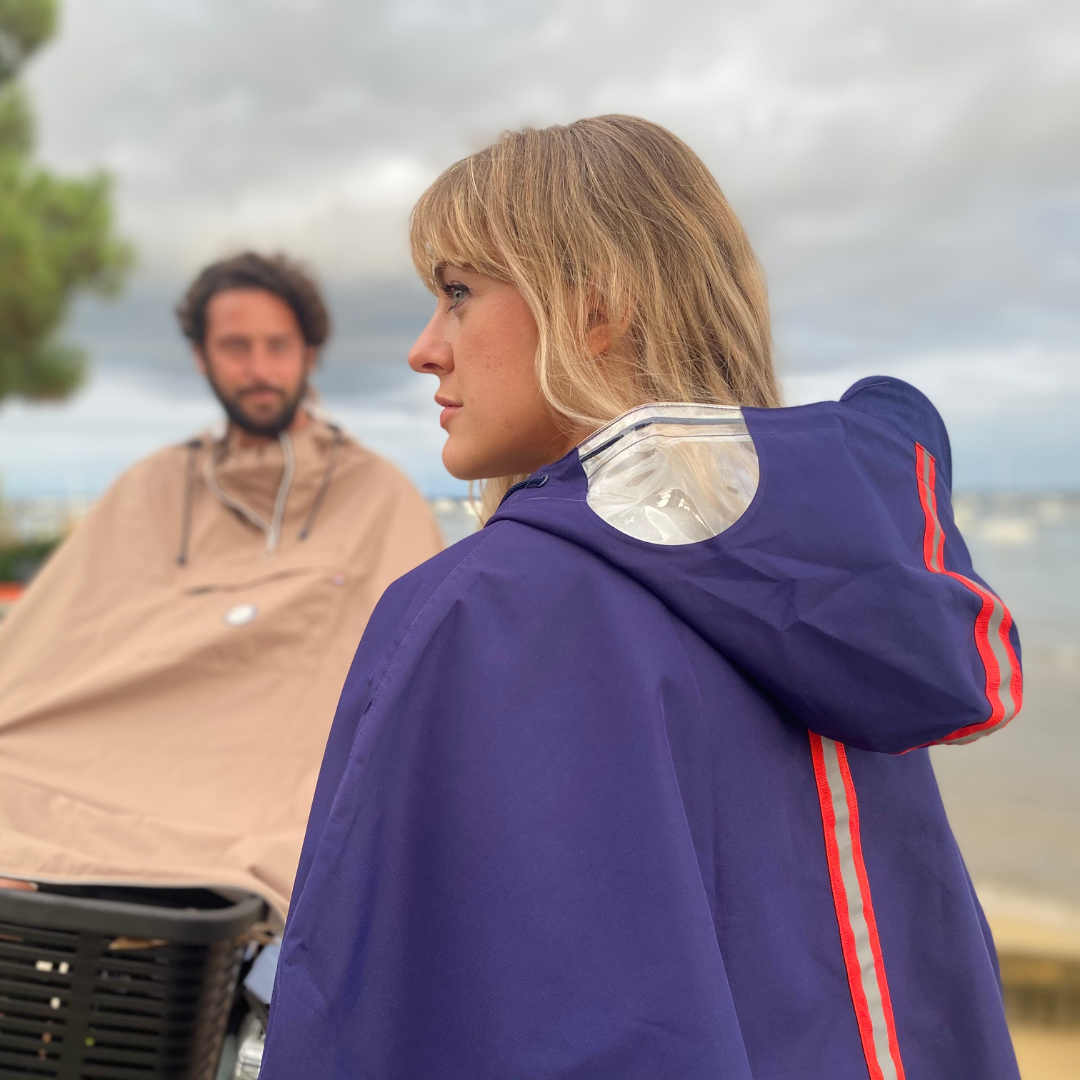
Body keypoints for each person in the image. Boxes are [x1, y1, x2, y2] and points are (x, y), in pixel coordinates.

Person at [261, 119, 1023, 1080]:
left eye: (459, 295)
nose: (424, 350)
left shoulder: (484, 612)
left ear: (596, 308)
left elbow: (375, 1013)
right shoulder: (856, 588)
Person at [0, 252, 442, 917]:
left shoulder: (379, 495)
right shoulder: (155, 487)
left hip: (276, 798)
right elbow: (42, 655)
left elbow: (420, 684)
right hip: (119, 775)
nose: (259, 369)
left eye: (277, 346)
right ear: (202, 358)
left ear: (310, 355)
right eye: (236, 347)